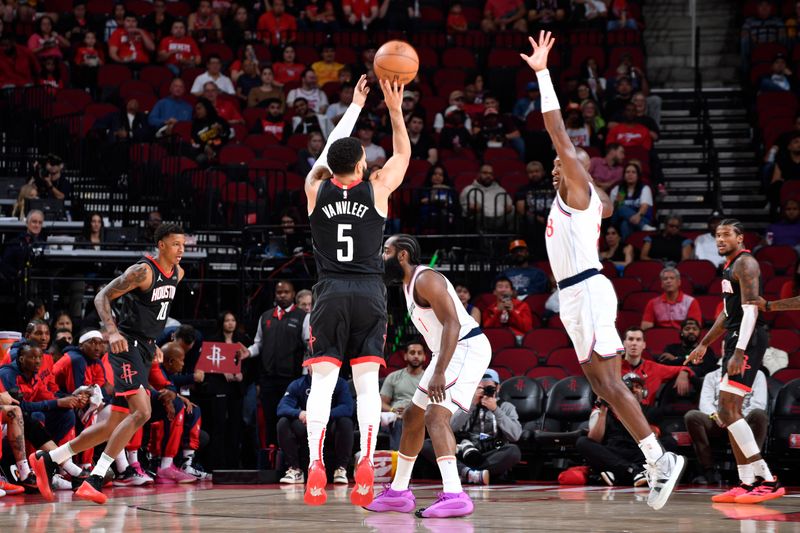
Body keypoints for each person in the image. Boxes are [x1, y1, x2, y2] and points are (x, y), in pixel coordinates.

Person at [521, 31, 685, 510]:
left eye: (565, 163)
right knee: (600, 385)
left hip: (588, 290)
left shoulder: (577, 188)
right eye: (558, 164)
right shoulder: (584, 199)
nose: (556, 165)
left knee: (611, 383)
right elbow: (609, 207)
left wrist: (543, 74)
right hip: (575, 296)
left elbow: (556, 131)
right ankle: (655, 460)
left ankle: (658, 460)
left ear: (578, 169)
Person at [302, 75, 409, 507]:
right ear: (363, 166)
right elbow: (402, 152)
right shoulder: (378, 189)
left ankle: (314, 464)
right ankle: (365, 458)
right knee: (367, 387)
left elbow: (329, 156)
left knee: (322, 386)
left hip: (328, 291)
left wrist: (353, 107)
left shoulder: (314, 188)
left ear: (331, 164)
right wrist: (394, 107)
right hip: (369, 291)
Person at [31, 224, 185, 504]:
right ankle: (96, 478)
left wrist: (155, 346)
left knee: (111, 423)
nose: (181, 250)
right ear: (161, 245)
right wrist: (112, 332)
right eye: (176, 244)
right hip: (125, 344)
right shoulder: (143, 271)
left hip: (145, 348)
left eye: (183, 245)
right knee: (143, 412)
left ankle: (51, 459)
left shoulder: (178, 273)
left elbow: (153, 314)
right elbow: (102, 296)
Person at [366, 235, 491, 517]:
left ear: (402, 255)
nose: (380, 256)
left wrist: (441, 371)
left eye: (386, 251)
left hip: (465, 347)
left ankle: (455, 494)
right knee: (413, 416)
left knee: (436, 415)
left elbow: (453, 323)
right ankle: (399, 492)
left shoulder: (425, 279)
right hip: (444, 352)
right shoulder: (408, 286)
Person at [686, 219, 784, 504]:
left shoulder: (746, 263)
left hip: (748, 339)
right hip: (736, 336)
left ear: (740, 238)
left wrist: (740, 351)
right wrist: (705, 343)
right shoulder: (728, 268)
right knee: (728, 413)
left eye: (726, 234)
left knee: (728, 410)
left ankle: (767, 478)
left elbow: (752, 310)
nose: (719, 239)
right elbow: (729, 314)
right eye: (717, 235)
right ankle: (746, 481)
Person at [241, 280, 306, 447]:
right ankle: (271, 458)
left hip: (292, 379)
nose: (282, 295)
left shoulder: (303, 317)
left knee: (289, 420)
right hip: (268, 378)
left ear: (293, 294)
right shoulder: (266, 316)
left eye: (286, 292)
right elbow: (258, 344)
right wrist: (248, 352)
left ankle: (289, 460)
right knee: (269, 419)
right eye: (279, 292)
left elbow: (308, 347)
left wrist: (306, 372)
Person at [576, 373, 667, 487]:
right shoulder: (607, 410)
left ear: (644, 393)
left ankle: (617, 474)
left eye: (637, 387)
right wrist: (603, 409)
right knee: (582, 442)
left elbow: (654, 435)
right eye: (629, 387)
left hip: (639, 452)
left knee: (668, 442)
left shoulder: (652, 411)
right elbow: (595, 439)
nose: (633, 390)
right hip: (614, 454)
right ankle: (633, 472)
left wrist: (628, 409)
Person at [684, 367, 768, 485]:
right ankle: (708, 469)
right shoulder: (711, 376)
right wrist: (715, 415)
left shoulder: (757, 375)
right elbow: (705, 403)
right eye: (727, 348)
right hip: (719, 421)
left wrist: (736, 419)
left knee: (759, 414)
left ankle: (752, 466)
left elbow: (759, 403)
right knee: (692, 416)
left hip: (744, 419)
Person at [277, 368, 353, 484]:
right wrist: (299, 413)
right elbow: (282, 407)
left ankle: (340, 469)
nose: (319, 367)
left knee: (345, 422)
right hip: (308, 425)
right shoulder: (298, 384)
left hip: (328, 426)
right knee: (283, 422)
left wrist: (324, 415)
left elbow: (348, 408)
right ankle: (295, 469)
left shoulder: (339, 383)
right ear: (308, 367)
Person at [620, 327, 693, 404]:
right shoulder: (612, 368)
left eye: (638, 340)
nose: (634, 343)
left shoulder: (654, 368)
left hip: (645, 412)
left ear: (644, 345)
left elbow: (683, 368)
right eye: (631, 339)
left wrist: (684, 373)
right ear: (624, 344)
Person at [380, 340, 426, 450]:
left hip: (421, 418)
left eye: (419, 353)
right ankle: (397, 460)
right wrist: (393, 410)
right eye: (412, 352)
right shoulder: (393, 377)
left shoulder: (429, 380)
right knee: (400, 420)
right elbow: (381, 403)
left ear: (424, 357)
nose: (416, 356)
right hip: (396, 418)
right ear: (405, 356)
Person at [657, 318, 718, 384]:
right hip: (674, 383)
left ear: (699, 332)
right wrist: (690, 360)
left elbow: (707, 368)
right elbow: (665, 367)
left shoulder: (707, 350)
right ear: (681, 332)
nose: (691, 331)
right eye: (687, 329)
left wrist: (676, 359)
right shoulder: (671, 348)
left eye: (694, 329)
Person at [515, 161, 554, 258]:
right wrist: (537, 218)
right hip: (532, 223)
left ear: (543, 172)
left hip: (552, 220)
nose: (534, 174)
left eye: (537, 171)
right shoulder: (523, 189)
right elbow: (521, 209)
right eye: (531, 172)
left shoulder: (553, 188)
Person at [459, 164, 513, 231]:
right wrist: (471, 209)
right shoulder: (468, 189)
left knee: (513, 210)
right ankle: (481, 240)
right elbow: (464, 210)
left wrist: (509, 207)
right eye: (485, 173)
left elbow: (509, 205)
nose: (488, 176)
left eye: (491, 173)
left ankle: (511, 240)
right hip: (480, 219)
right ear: (478, 174)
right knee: (476, 216)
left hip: (499, 219)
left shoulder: (500, 189)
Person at [609, 163, 654, 238]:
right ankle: (643, 226)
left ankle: (625, 246)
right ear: (624, 175)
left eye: (633, 172)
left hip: (641, 218)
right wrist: (616, 203)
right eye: (627, 172)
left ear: (638, 175)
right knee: (621, 208)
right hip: (618, 220)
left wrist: (638, 216)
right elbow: (611, 209)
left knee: (625, 223)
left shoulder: (644, 188)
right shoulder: (618, 189)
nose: (630, 174)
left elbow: (645, 206)